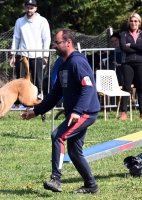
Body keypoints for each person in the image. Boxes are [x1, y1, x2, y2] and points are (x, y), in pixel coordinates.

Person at [20, 28, 100, 194]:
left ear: (68, 43)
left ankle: (56, 179)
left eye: (57, 42)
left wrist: (78, 111)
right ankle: (91, 186)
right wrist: (36, 111)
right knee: (74, 152)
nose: (54, 46)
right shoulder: (63, 64)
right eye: (54, 43)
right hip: (77, 112)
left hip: (85, 112)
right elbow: (55, 93)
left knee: (58, 135)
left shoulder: (76, 62)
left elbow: (88, 88)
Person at [9, 0, 51, 100]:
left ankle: (39, 101)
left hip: (37, 56)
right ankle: (21, 101)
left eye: (31, 8)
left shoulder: (42, 21)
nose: (29, 10)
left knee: (38, 81)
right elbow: (16, 38)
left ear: (36, 9)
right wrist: (13, 55)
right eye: (27, 7)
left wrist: (45, 56)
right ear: (25, 8)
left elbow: (46, 38)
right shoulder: (19, 21)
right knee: (20, 80)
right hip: (22, 55)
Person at [119, 13, 142, 120]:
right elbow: (124, 48)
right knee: (126, 87)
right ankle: (124, 112)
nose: (134, 23)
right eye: (132, 21)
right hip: (127, 63)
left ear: (139, 22)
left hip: (141, 63)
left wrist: (131, 45)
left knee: (141, 87)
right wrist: (138, 46)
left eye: (136, 21)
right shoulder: (123, 34)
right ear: (129, 22)